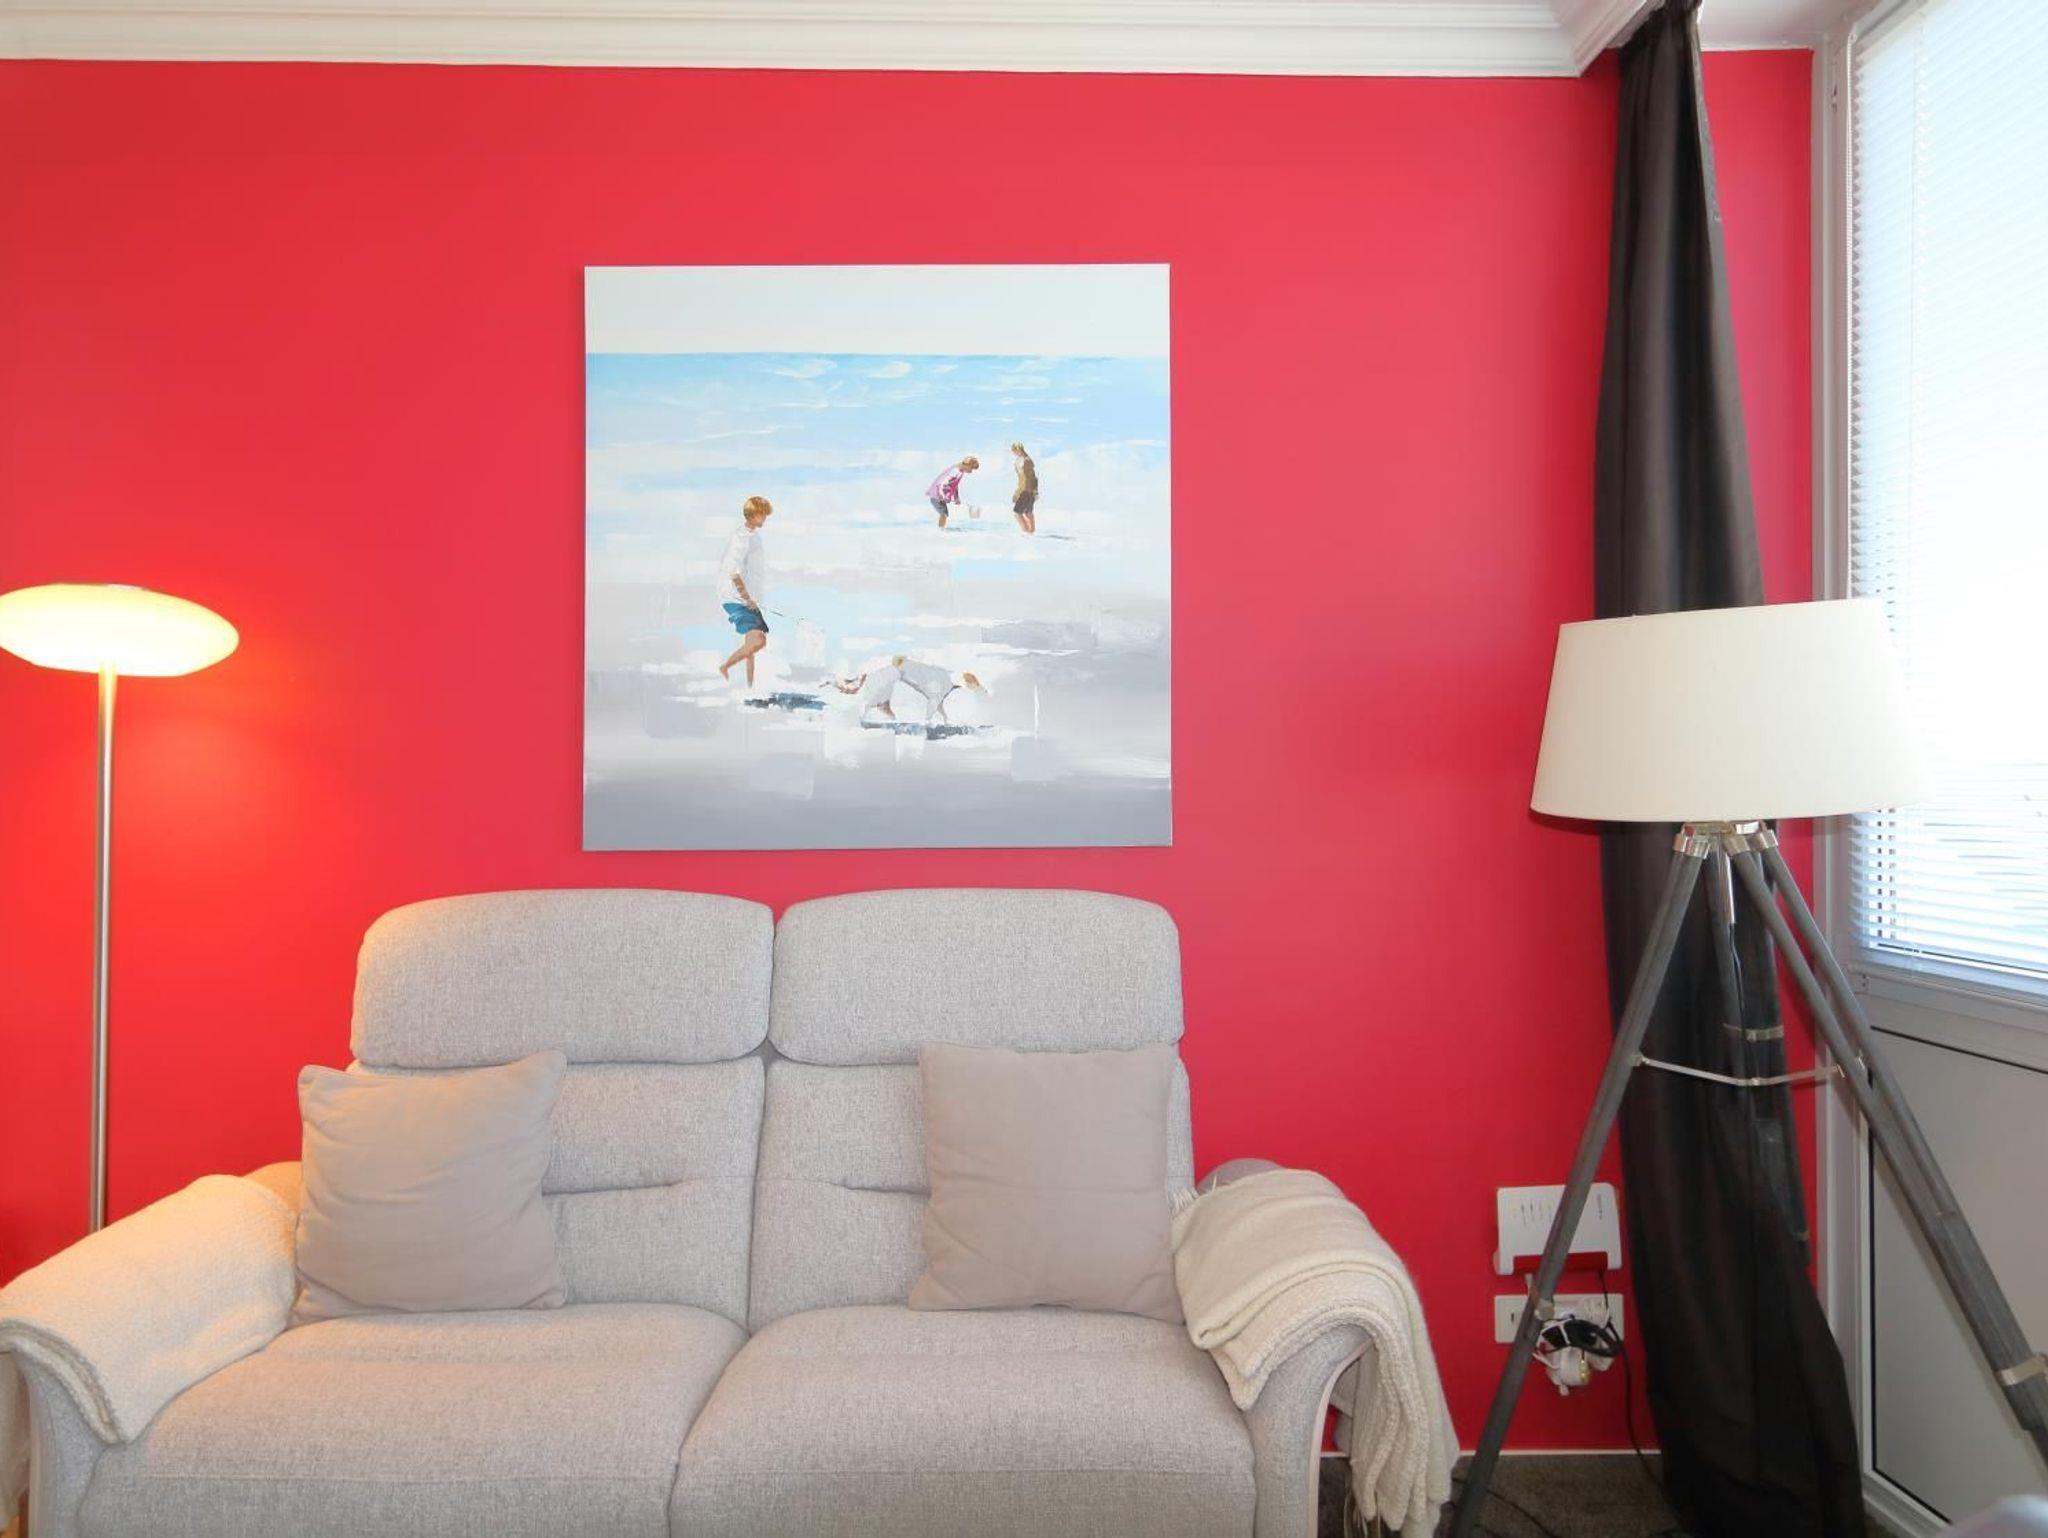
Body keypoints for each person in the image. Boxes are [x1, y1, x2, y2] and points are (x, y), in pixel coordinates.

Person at [716, 495, 773, 686]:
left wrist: (753, 597)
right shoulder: (741, 538)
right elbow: (734, 572)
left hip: (748, 598)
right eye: (762, 514)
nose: (765, 518)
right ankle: (725, 666)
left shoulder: (753, 536)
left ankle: (750, 686)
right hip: (737, 597)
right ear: (753, 514)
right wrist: (746, 598)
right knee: (758, 641)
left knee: (752, 643)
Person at [834, 656, 987, 724]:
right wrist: (928, 722)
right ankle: (860, 719)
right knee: (873, 701)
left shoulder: (945, 682)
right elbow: (934, 703)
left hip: (897, 667)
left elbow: (936, 701)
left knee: (882, 707)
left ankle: (865, 716)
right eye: (972, 686)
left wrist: (945, 718)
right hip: (894, 668)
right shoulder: (945, 684)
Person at [926, 456, 979, 528]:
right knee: (944, 514)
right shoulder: (955, 471)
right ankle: (940, 530)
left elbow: (954, 486)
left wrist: (956, 498)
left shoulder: (960, 472)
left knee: (944, 514)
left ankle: (941, 529)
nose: (971, 471)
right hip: (936, 495)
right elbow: (941, 484)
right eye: (971, 468)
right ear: (967, 465)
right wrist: (942, 496)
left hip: (940, 495)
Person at [1010, 441, 1038, 534]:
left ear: (1018, 450)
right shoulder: (1025, 460)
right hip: (1030, 490)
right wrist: (1035, 491)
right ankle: (1031, 533)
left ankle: (1026, 532)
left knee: (1017, 513)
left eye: (1014, 450)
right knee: (1028, 512)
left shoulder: (1024, 461)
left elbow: (1025, 479)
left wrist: (1017, 493)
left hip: (1025, 490)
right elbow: (1033, 477)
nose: (1013, 453)